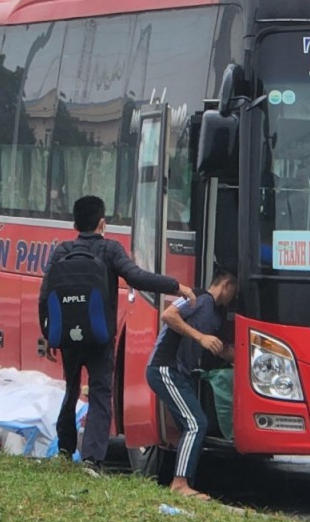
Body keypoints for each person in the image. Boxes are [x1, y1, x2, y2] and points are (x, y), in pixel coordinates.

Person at [38, 195, 195, 472]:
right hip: (100, 337)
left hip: (68, 339)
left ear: (75, 223)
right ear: (102, 223)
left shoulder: (62, 251)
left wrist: (48, 332)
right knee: (100, 394)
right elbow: (137, 277)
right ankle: (91, 459)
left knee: (71, 389)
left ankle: (65, 449)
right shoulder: (110, 249)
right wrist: (175, 286)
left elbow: (45, 294)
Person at [145, 267, 238, 500]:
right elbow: (168, 315)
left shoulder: (216, 316)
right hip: (165, 368)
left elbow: (220, 348)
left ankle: (183, 480)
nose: (234, 299)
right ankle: (179, 484)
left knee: (191, 426)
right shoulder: (197, 298)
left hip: (181, 374)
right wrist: (199, 337)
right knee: (196, 423)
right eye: (234, 292)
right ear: (226, 284)